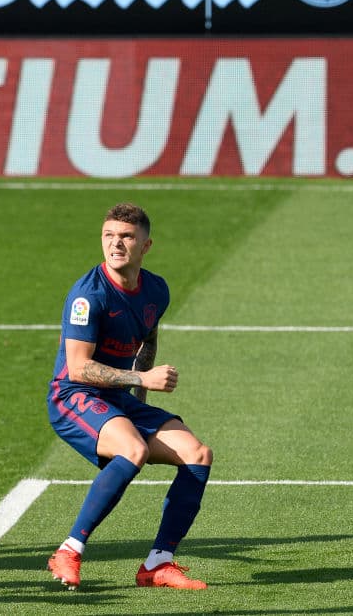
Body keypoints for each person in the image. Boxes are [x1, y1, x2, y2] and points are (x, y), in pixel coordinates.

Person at [45, 203, 213, 591]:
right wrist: (142, 378)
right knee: (133, 450)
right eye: (109, 236)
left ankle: (158, 563)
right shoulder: (88, 295)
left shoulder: (156, 289)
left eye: (126, 237)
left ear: (145, 245)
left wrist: (141, 397)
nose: (115, 244)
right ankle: (69, 550)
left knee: (197, 454)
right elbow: (78, 368)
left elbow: (147, 338)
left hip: (119, 398)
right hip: (74, 396)